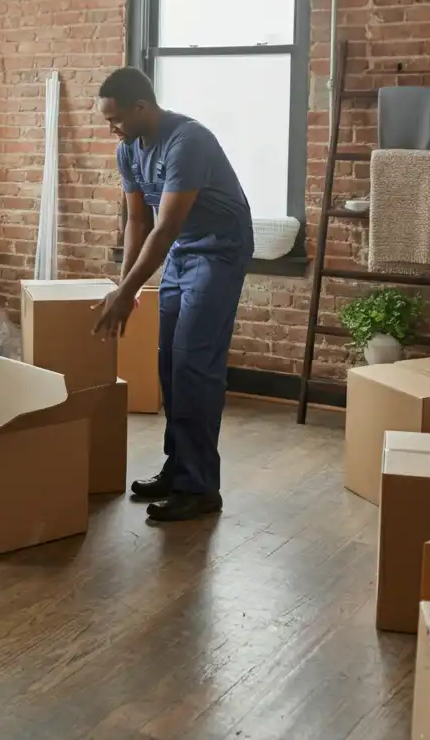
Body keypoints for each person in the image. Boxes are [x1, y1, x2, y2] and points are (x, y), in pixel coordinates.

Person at [93, 67, 253, 523]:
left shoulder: (188, 141)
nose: (111, 129)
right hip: (183, 250)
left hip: (219, 251)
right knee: (169, 364)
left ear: (141, 107)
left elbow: (165, 227)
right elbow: (137, 222)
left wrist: (128, 291)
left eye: (116, 119)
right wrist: (125, 286)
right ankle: (178, 468)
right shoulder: (129, 148)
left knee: (193, 365)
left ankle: (199, 488)